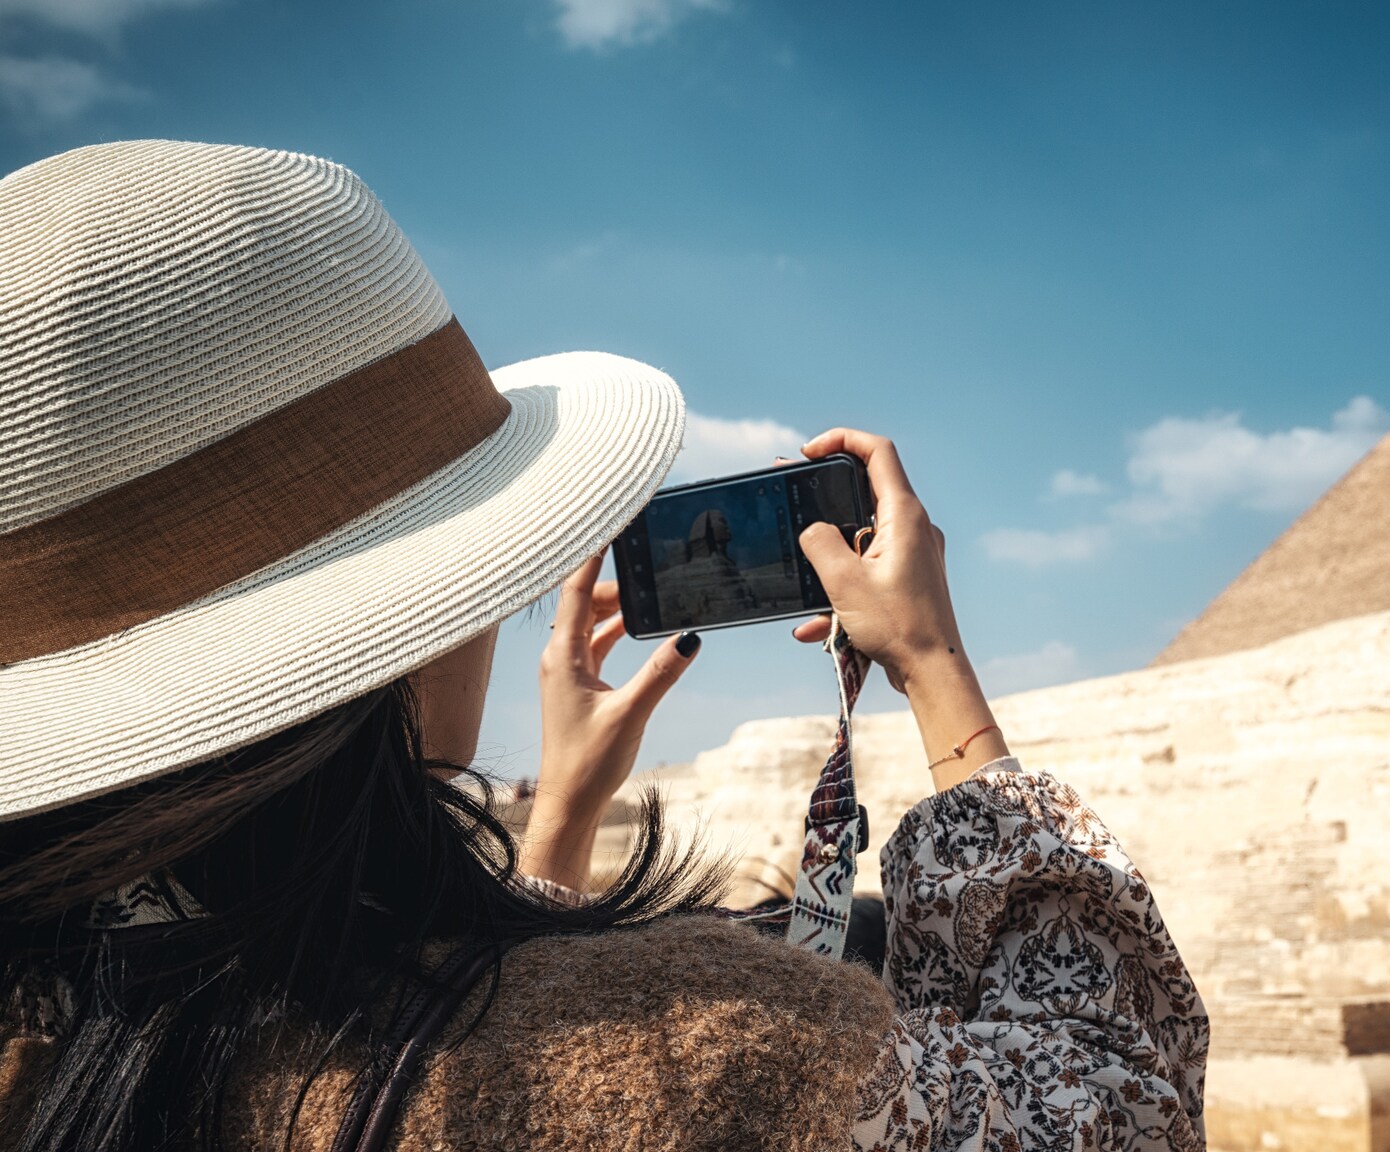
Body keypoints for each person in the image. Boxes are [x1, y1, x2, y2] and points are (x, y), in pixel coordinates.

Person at [0, 141, 1206, 1151]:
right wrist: (938, 673)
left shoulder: (47, 1050)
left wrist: (558, 823)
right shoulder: (705, 1044)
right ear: (409, 625)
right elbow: (1119, 1097)